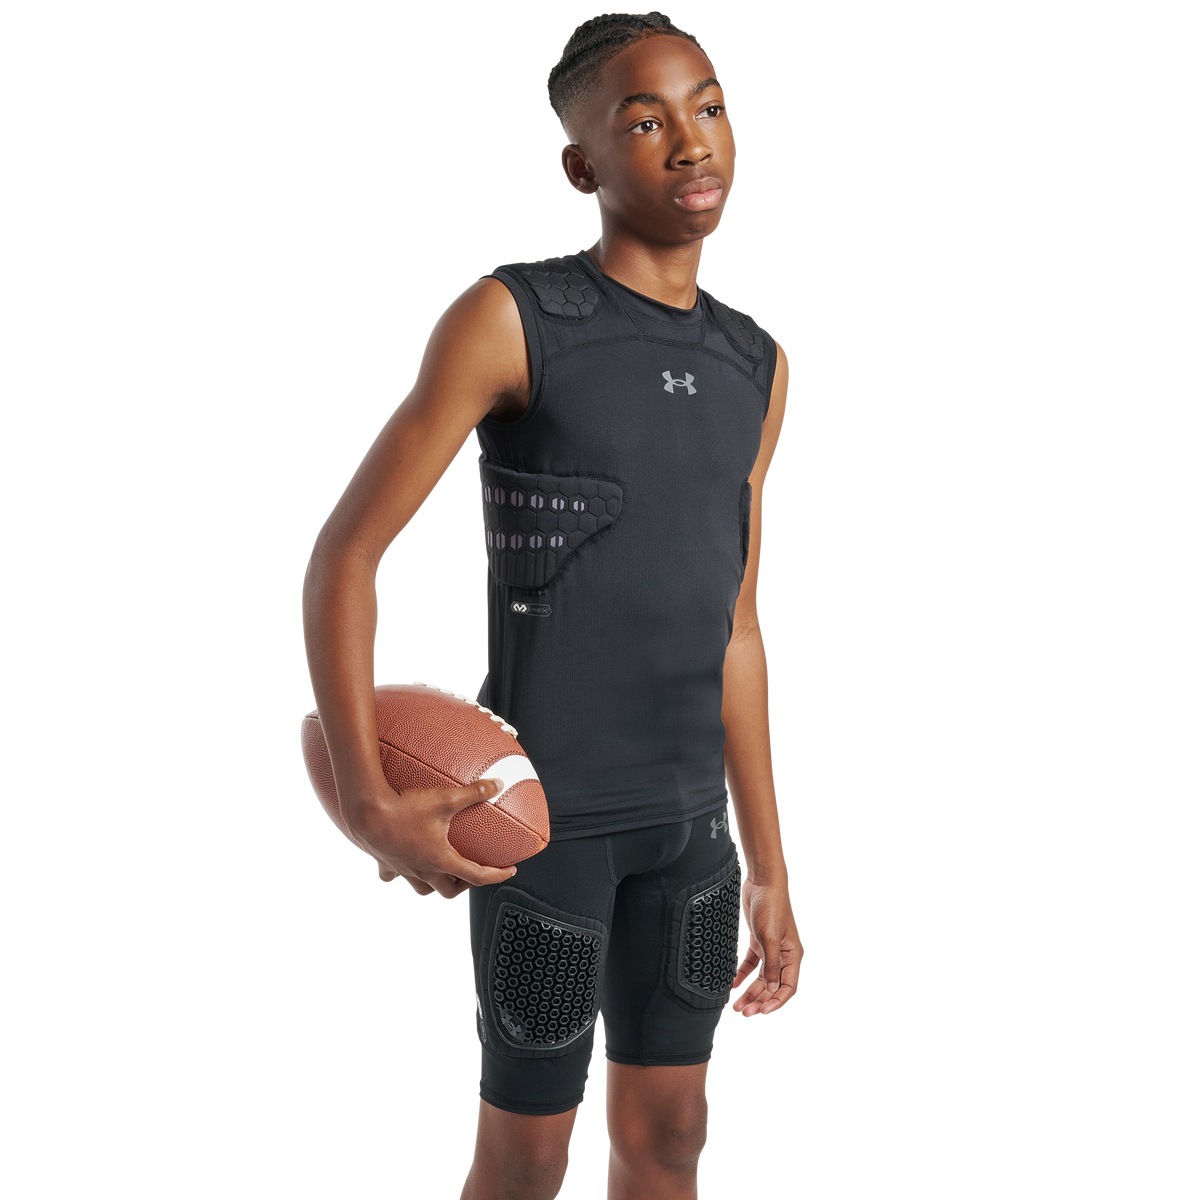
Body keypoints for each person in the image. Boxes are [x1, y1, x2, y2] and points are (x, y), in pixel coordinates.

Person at [298, 9, 803, 1199]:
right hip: (541, 837)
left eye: (710, 107)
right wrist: (368, 805)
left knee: (673, 1139)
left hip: (693, 840)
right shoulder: (514, 318)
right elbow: (345, 558)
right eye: (646, 121)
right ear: (582, 166)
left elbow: (736, 628)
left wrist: (771, 867)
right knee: (525, 1161)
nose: (692, 141)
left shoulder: (759, 364)